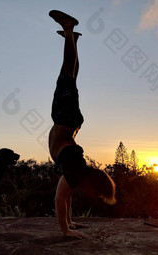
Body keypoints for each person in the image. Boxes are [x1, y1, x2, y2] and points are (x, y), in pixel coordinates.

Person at [48, 10, 116, 239]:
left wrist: (69, 222)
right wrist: (65, 231)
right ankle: (69, 28)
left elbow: (65, 196)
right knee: (67, 72)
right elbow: (59, 198)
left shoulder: (78, 173)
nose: (93, 196)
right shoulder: (77, 171)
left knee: (70, 75)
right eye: (97, 194)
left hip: (69, 121)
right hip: (65, 118)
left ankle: (73, 40)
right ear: (93, 186)